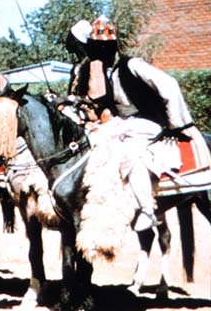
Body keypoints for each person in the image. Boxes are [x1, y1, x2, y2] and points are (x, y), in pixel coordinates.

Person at [87, 16, 204, 229]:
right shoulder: (107, 72)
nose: (99, 51)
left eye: (103, 46)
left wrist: (176, 124)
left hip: (148, 122)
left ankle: (148, 211)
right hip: (126, 123)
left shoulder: (132, 65)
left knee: (129, 154)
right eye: (96, 46)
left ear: (112, 47)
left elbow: (169, 84)